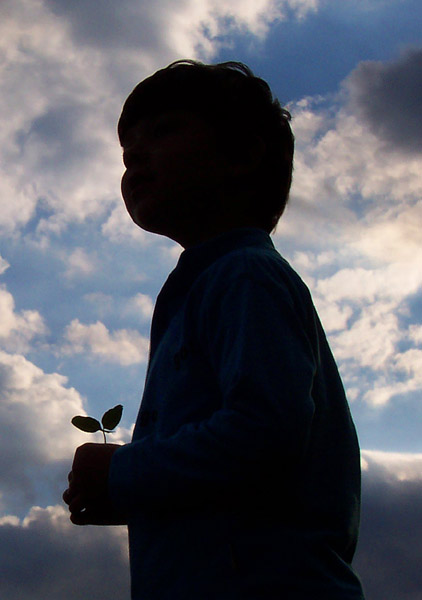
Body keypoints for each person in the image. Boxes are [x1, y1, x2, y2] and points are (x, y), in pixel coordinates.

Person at [63, 60, 365, 599]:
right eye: (127, 151)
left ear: (242, 156)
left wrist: (123, 473)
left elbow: (263, 433)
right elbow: (237, 470)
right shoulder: (206, 287)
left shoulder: (245, 275)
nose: (134, 158)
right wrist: (132, 495)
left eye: (162, 131)